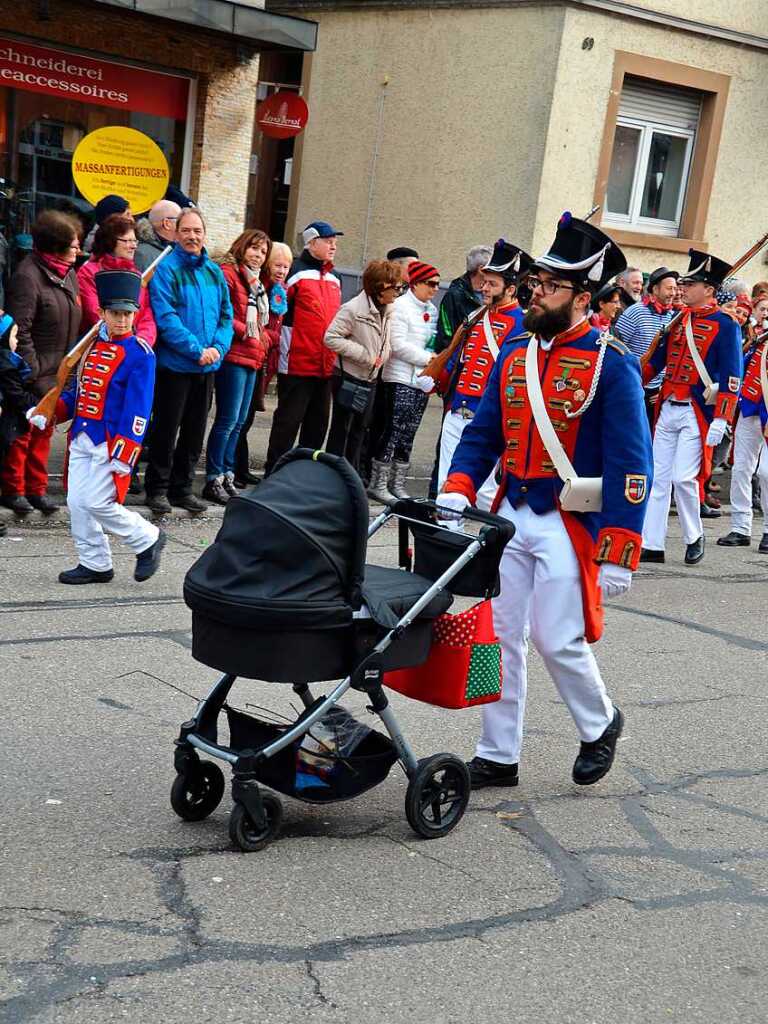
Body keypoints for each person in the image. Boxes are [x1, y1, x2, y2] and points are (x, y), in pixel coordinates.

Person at [438, 212, 652, 790]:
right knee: (497, 635)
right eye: (537, 284)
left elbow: (634, 464)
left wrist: (619, 548)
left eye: (551, 286)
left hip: (569, 520)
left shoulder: (614, 365)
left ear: (582, 298)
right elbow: (484, 433)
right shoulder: (516, 353)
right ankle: (497, 750)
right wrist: (458, 486)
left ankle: (600, 721)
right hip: (511, 514)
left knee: (557, 639)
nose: (537, 293)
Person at [31, 270, 164, 584]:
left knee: (97, 502)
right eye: (115, 313)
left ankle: (147, 538)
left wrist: (126, 450)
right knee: (77, 503)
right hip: (81, 436)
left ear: (135, 314)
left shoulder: (141, 355)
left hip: (110, 440)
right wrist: (50, 411)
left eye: (127, 314)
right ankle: (95, 562)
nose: (121, 320)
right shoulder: (88, 349)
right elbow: (77, 393)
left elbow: (138, 409)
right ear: (102, 313)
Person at [640, 250, 742, 565]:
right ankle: (652, 543)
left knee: (684, 478)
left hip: (697, 411)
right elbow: (656, 361)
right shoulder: (678, 319)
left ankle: (693, 536)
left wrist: (722, 418)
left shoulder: (726, 324)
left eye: (691, 283)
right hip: (668, 405)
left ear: (709, 290)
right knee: (657, 478)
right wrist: (628, 380)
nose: (683, 287)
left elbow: (732, 375)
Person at [431, 239, 532, 509]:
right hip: (457, 409)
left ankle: (500, 545)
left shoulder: (523, 325)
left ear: (510, 289)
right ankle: (448, 544)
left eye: (492, 284)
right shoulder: (477, 315)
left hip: (487, 418)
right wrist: (438, 377)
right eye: (484, 281)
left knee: (487, 492)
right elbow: (458, 354)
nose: (484, 287)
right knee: (447, 486)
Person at [145, 208, 233, 514]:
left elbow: (226, 315)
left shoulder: (214, 272)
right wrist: (197, 349)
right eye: (186, 230)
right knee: (166, 431)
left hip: (207, 367)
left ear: (204, 235)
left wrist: (218, 349)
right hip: (176, 367)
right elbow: (166, 317)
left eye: (197, 231)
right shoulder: (167, 269)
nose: (192, 236)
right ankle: (157, 489)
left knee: (195, 433)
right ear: (175, 232)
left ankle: (182, 489)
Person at [1, 210, 82, 515]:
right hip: (33, 373)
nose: (78, 251)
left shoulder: (67, 274)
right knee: (22, 436)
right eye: (73, 245)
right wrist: (33, 372)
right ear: (55, 245)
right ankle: (13, 489)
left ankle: (36, 489)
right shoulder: (27, 276)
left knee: (43, 434)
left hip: (57, 372)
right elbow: (19, 330)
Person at [264, 221, 343, 474]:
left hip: (325, 365)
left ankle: (303, 476)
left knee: (318, 425)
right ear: (311, 243)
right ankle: (274, 473)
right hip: (297, 361)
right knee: (288, 422)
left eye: (334, 241)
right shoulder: (294, 272)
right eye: (327, 240)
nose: (333, 245)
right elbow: (275, 314)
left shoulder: (335, 278)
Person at [203, 229, 271, 504]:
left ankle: (228, 473)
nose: (258, 254)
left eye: (263, 251)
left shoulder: (258, 283)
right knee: (227, 420)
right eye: (254, 248)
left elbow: (263, 321)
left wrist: (262, 338)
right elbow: (223, 313)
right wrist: (248, 331)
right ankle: (213, 477)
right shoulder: (229, 274)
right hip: (233, 355)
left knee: (240, 422)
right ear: (242, 247)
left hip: (253, 356)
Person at [368, 260, 439, 503]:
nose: (435, 289)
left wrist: (429, 365)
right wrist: (429, 359)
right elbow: (397, 345)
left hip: (420, 380)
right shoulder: (399, 307)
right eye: (430, 284)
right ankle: (378, 483)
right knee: (392, 432)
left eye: (438, 285)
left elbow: (430, 340)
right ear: (416, 283)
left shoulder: (432, 309)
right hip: (398, 378)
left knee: (409, 434)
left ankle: (397, 483)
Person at [323, 259, 400, 471]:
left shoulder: (389, 308)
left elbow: (385, 341)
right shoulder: (353, 309)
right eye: (395, 287)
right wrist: (366, 356)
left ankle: (350, 476)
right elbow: (330, 338)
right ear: (380, 287)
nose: (398, 292)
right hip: (348, 376)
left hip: (370, 378)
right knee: (341, 430)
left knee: (360, 429)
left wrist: (384, 355)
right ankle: (330, 475)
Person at [233, 241, 292, 485]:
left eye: (286, 267)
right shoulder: (261, 287)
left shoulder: (280, 290)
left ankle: (240, 467)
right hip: (251, 353)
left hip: (265, 358)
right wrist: (271, 337)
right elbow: (262, 327)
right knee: (239, 418)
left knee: (247, 417)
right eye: (277, 265)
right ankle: (235, 468)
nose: (282, 271)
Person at [718, 294, 768, 550]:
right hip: (751, 403)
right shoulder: (760, 335)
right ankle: (740, 527)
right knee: (741, 469)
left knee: (766, 472)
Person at [77, 214, 156, 345]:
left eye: (135, 241)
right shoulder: (89, 272)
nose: (134, 246)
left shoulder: (136, 275)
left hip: (133, 347)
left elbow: (146, 315)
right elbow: (95, 313)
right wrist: (127, 339)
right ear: (111, 241)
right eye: (127, 241)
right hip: (101, 347)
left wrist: (142, 342)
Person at [614, 266, 679, 426]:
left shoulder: (672, 317)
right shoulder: (635, 313)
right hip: (630, 385)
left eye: (675, 289)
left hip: (655, 392)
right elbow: (616, 349)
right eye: (669, 288)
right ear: (655, 289)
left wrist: (661, 388)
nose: (673, 293)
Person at [434, 244, 492, 353]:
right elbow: (445, 335)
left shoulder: (492, 294)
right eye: (492, 267)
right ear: (481, 269)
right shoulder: (454, 295)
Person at [134, 199, 181, 273]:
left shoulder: (176, 250)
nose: (183, 225)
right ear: (167, 223)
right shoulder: (142, 255)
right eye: (180, 221)